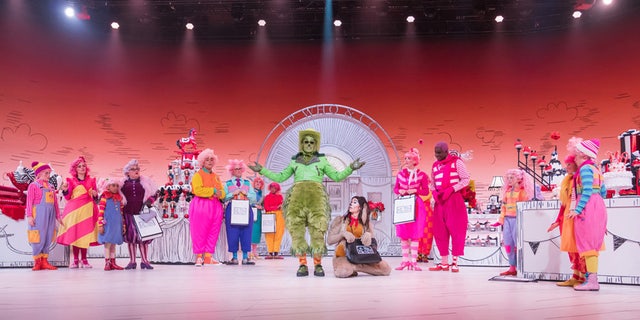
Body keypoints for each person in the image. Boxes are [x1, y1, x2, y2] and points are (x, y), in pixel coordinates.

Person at [249, 128, 365, 277]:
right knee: (297, 233)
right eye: (306, 142)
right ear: (302, 144)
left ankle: (318, 265)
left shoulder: (322, 160)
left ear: (315, 144)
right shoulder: (294, 160)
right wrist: (262, 170)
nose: (309, 144)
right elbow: (280, 177)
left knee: (317, 232)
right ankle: (302, 264)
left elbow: (336, 177)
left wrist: (350, 168)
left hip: (316, 199)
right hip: (297, 199)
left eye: (312, 142)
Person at [568, 138, 608, 291]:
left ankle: (592, 281)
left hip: (588, 206)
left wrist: (577, 209)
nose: (575, 159)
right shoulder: (597, 170)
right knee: (593, 243)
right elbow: (602, 191)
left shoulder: (585, 169)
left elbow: (587, 191)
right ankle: (589, 279)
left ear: (584, 156)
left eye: (576, 156)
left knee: (588, 244)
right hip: (598, 206)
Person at [429, 142, 470, 273]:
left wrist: (452, 189)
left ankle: (455, 262)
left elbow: (466, 179)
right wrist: (434, 193)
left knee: (456, 229)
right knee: (440, 231)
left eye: (439, 153)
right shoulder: (435, 166)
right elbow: (432, 183)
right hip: (440, 201)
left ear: (446, 152)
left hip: (454, 200)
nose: (437, 155)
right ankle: (444, 263)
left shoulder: (457, 162)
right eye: (435, 153)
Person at [547, 152, 587, 286]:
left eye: (569, 164)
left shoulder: (580, 178)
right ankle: (575, 276)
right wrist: (557, 221)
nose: (567, 167)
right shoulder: (567, 180)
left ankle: (583, 276)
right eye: (566, 165)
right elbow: (564, 205)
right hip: (567, 217)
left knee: (579, 246)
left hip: (577, 215)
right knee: (571, 248)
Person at [327, 196, 391, 278]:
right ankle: (352, 267)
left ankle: (355, 267)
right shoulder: (340, 220)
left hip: (362, 255)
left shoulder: (367, 223)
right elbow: (329, 240)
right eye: (351, 202)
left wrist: (368, 235)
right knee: (343, 272)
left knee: (386, 269)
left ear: (361, 207)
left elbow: (372, 241)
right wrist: (343, 234)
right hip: (344, 253)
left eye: (354, 202)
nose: (351, 204)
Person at [393, 148, 432, 271]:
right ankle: (405, 261)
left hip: (416, 204)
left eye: (409, 158)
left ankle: (414, 262)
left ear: (415, 160)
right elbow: (395, 189)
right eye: (405, 158)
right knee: (403, 233)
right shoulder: (400, 174)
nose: (406, 160)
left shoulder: (422, 175)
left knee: (415, 233)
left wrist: (416, 190)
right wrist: (400, 191)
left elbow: (425, 191)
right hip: (403, 204)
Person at [57, 156, 99, 269]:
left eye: (84, 166)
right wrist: (65, 190)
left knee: (85, 235)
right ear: (75, 169)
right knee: (75, 235)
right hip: (74, 211)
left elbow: (96, 199)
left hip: (87, 211)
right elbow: (68, 197)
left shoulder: (92, 180)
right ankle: (75, 260)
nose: (82, 168)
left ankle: (84, 260)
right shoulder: (70, 181)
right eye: (79, 166)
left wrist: (96, 195)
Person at [492, 169, 534, 276]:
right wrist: (500, 220)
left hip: (518, 220)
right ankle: (512, 267)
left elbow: (525, 209)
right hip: (507, 221)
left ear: (519, 178)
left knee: (518, 244)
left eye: (512, 178)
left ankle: (521, 267)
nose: (509, 180)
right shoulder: (507, 192)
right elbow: (503, 207)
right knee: (508, 244)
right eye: (508, 178)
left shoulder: (523, 193)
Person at [189, 148, 226, 267]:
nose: (210, 162)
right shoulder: (198, 175)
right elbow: (198, 190)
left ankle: (209, 257)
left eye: (211, 160)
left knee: (213, 230)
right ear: (202, 162)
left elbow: (222, 191)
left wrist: (221, 193)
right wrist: (213, 191)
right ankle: (199, 257)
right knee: (200, 231)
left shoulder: (216, 176)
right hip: (202, 205)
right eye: (207, 160)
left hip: (216, 206)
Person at [121, 159, 157, 270]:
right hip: (129, 213)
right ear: (127, 172)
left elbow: (155, 193)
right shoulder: (123, 184)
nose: (136, 171)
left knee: (144, 238)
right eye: (133, 169)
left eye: (137, 169)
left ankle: (145, 261)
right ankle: (132, 261)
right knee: (131, 239)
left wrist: (150, 200)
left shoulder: (145, 182)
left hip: (142, 213)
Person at [26, 161, 62, 271]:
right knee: (37, 237)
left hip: (50, 215)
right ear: (39, 174)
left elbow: (55, 203)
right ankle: (37, 262)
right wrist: (29, 216)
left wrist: (58, 216)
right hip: (39, 214)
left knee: (48, 236)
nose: (48, 175)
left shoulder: (51, 187)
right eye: (46, 173)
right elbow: (29, 202)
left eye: (49, 173)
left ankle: (45, 261)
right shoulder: (33, 185)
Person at [223, 159, 257, 266]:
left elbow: (254, 198)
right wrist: (232, 194)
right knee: (232, 233)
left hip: (245, 209)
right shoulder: (227, 184)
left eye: (239, 168)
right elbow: (223, 198)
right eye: (235, 169)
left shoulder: (247, 183)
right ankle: (234, 257)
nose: (238, 170)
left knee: (246, 232)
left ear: (242, 170)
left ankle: (246, 257)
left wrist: (246, 193)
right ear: (231, 170)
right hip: (232, 209)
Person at [97, 177, 125, 271]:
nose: (116, 188)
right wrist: (100, 224)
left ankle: (113, 262)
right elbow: (100, 211)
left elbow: (121, 212)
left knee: (113, 244)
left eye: (117, 186)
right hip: (108, 224)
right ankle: (107, 262)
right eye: (113, 185)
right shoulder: (105, 197)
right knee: (107, 244)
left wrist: (123, 225)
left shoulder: (119, 199)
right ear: (108, 187)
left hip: (116, 225)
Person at [263, 182, 285, 259]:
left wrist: (280, 207)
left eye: (275, 188)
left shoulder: (280, 197)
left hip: (279, 216)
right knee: (269, 233)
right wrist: (276, 207)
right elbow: (266, 207)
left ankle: (276, 253)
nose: (273, 189)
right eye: (272, 187)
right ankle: (270, 252)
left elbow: (282, 207)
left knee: (279, 234)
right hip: (269, 215)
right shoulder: (267, 197)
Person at [249, 176, 265, 261]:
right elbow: (247, 201)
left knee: (257, 233)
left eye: (260, 183)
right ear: (254, 183)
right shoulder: (251, 192)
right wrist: (254, 205)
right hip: (251, 213)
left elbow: (263, 205)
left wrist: (261, 207)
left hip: (258, 215)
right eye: (256, 182)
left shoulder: (261, 193)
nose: (258, 184)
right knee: (251, 232)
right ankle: (250, 252)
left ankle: (255, 252)